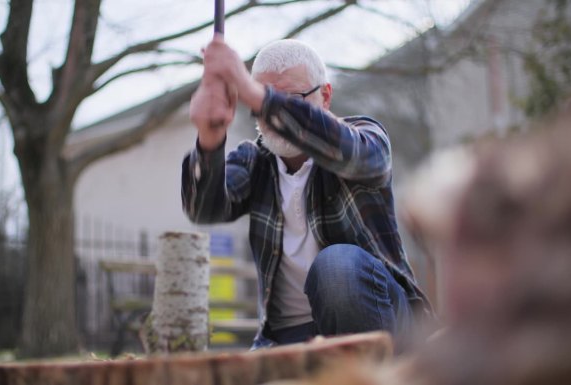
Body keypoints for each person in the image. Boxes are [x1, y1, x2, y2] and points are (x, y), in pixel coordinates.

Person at [182, 36, 431, 349]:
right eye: (261, 104)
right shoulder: (253, 160)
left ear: (325, 96)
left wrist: (254, 93)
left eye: (292, 99)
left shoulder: (365, 137)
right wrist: (209, 138)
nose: (271, 118)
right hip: (287, 338)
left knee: (337, 266)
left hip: (384, 323)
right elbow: (204, 208)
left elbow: (357, 155)